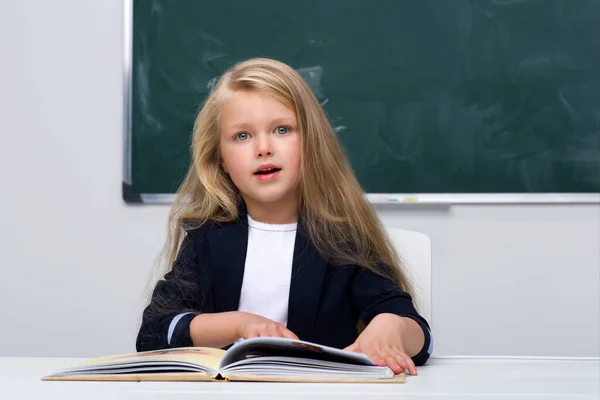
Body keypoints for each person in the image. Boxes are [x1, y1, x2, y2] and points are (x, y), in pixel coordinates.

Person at [136, 58, 432, 375]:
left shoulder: (343, 238)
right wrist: (238, 323)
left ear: (312, 143)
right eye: (242, 136)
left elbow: (421, 339)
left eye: (282, 130)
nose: (263, 148)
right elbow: (154, 333)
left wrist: (391, 326)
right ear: (219, 159)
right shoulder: (207, 235)